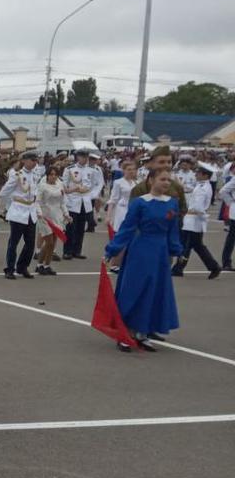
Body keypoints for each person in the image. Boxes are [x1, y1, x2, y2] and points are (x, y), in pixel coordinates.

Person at [104, 167, 183, 352]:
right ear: (151, 180)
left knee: (155, 291)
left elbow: (173, 231)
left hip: (161, 253)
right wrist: (113, 248)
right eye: (162, 179)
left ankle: (143, 332)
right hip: (141, 250)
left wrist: (176, 250)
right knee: (134, 290)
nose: (166, 183)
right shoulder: (140, 203)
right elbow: (127, 228)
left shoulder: (172, 203)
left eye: (168, 180)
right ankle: (125, 333)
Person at [173, 164, 222, 279]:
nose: (196, 174)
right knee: (197, 246)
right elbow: (189, 190)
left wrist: (198, 214)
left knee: (187, 245)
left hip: (194, 221)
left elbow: (199, 207)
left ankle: (178, 268)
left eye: (198, 173)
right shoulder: (202, 185)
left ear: (205, 175)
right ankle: (213, 267)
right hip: (193, 220)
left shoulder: (203, 188)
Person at [0, 151, 41, 280]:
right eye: (32, 160)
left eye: (35, 160)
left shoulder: (35, 175)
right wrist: (13, 203)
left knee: (30, 244)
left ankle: (22, 267)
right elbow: (3, 192)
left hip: (31, 212)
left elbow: (35, 194)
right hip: (18, 212)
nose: (34, 162)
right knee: (14, 243)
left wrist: (37, 210)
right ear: (24, 161)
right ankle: (9, 269)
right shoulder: (17, 175)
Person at [63, 149, 95, 260]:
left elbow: (94, 185)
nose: (85, 159)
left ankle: (77, 250)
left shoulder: (91, 170)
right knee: (70, 228)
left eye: (86, 157)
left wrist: (91, 195)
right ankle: (67, 251)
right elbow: (64, 186)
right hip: (73, 201)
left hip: (85, 202)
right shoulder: (70, 169)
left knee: (81, 228)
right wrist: (67, 200)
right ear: (78, 157)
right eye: (83, 156)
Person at [35, 164, 66, 276]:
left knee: (53, 244)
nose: (53, 176)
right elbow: (37, 201)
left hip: (57, 216)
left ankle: (47, 265)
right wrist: (39, 213)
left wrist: (66, 214)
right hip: (45, 216)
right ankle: (39, 265)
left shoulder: (60, 185)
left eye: (55, 175)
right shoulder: (42, 186)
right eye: (51, 174)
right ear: (47, 176)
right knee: (49, 242)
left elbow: (62, 202)